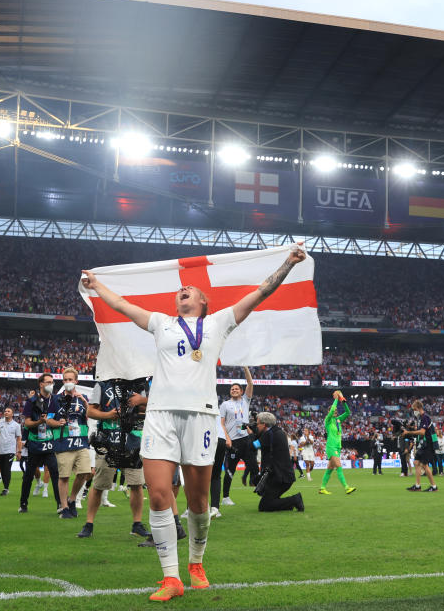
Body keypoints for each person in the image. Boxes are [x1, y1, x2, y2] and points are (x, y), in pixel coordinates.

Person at [81, 244, 306, 601]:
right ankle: (171, 577)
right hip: (160, 416)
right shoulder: (160, 323)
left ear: (203, 301)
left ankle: (196, 562)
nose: (181, 291)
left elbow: (260, 292)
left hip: (201, 418)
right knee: (159, 495)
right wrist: (96, 285)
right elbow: (124, 306)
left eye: (190, 291)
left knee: (199, 501)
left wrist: (288, 264)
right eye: (179, 291)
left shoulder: (219, 323)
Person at [77, 378, 151, 539]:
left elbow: (148, 408)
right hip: (107, 441)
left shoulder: (138, 384)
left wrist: (142, 400)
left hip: (132, 441)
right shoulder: (102, 385)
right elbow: (90, 412)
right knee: (98, 485)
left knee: (137, 484)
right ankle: (89, 524)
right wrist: (108, 415)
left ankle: (137, 524)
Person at [49, 367, 92, 518]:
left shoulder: (83, 397)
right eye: (65, 380)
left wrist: (85, 402)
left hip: (81, 441)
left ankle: (72, 499)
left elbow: (90, 415)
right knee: (64, 476)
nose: (68, 382)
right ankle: (65, 507)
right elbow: (48, 419)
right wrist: (57, 422)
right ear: (63, 381)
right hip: (63, 443)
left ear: (76, 381)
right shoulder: (54, 399)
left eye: (70, 380)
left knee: (85, 473)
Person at [19, 374, 61, 513]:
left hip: (49, 444)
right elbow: (27, 422)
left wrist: (54, 423)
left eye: (52, 382)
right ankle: (23, 504)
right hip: (35, 444)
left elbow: (57, 422)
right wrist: (40, 422)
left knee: (55, 473)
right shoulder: (32, 401)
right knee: (29, 476)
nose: (51, 384)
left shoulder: (55, 399)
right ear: (41, 384)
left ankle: (60, 505)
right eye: (48, 382)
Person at [219, 367, 257, 506]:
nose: (234, 390)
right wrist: (227, 438)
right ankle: (225, 498)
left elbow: (250, 383)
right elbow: (222, 424)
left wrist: (245, 368)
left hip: (246, 440)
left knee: (254, 467)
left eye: (237, 389)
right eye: (232, 389)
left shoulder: (245, 401)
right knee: (230, 470)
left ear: (241, 391)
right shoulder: (225, 405)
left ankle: (259, 488)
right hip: (233, 442)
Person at [253, 412, 304, 512]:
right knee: (267, 498)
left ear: (264, 424)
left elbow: (253, 446)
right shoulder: (278, 432)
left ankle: (295, 500)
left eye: (257, 423)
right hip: (283, 476)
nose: (256, 426)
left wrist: (250, 434)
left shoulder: (269, 434)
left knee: (265, 505)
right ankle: (286, 505)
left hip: (280, 478)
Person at [318, 390, 357, 495]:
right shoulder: (328, 420)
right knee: (339, 467)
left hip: (337, 447)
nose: (335, 411)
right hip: (331, 447)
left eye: (335, 410)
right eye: (332, 410)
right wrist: (335, 399)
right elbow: (330, 413)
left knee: (330, 469)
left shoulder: (338, 420)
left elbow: (348, 412)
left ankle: (322, 488)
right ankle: (346, 487)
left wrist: (342, 401)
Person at [402, 400, 439, 493]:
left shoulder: (425, 417)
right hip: (422, 444)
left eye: (414, 409)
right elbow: (419, 429)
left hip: (428, 444)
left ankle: (434, 487)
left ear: (418, 408)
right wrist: (409, 428)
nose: (414, 411)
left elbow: (422, 432)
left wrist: (408, 432)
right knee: (416, 463)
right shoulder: (420, 418)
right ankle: (417, 486)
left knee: (424, 465)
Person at [0, 407, 21, 496]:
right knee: (2, 470)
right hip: (0, 451)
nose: (6, 412)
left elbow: (19, 439)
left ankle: (6, 488)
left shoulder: (16, 425)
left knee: (7, 469)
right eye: (5, 411)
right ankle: (5, 486)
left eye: (8, 411)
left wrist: (19, 451)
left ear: (12, 414)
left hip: (10, 450)